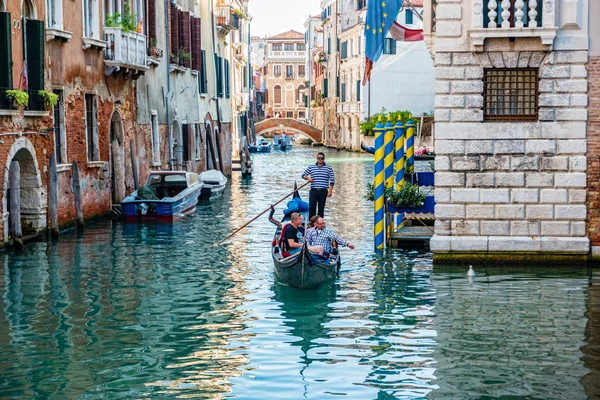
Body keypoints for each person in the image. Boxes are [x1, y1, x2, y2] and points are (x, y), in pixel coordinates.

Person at [302, 152, 335, 219]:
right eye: (319, 158)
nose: (320, 160)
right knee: (312, 207)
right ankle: (311, 224)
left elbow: (332, 180)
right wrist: (308, 178)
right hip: (313, 190)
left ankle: (319, 223)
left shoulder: (328, 168)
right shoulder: (311, 167)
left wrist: (330, 191)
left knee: (321, 208)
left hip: (323, 191)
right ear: (317, 159)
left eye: (321, 158)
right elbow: (303, 175)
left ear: (324, 159)